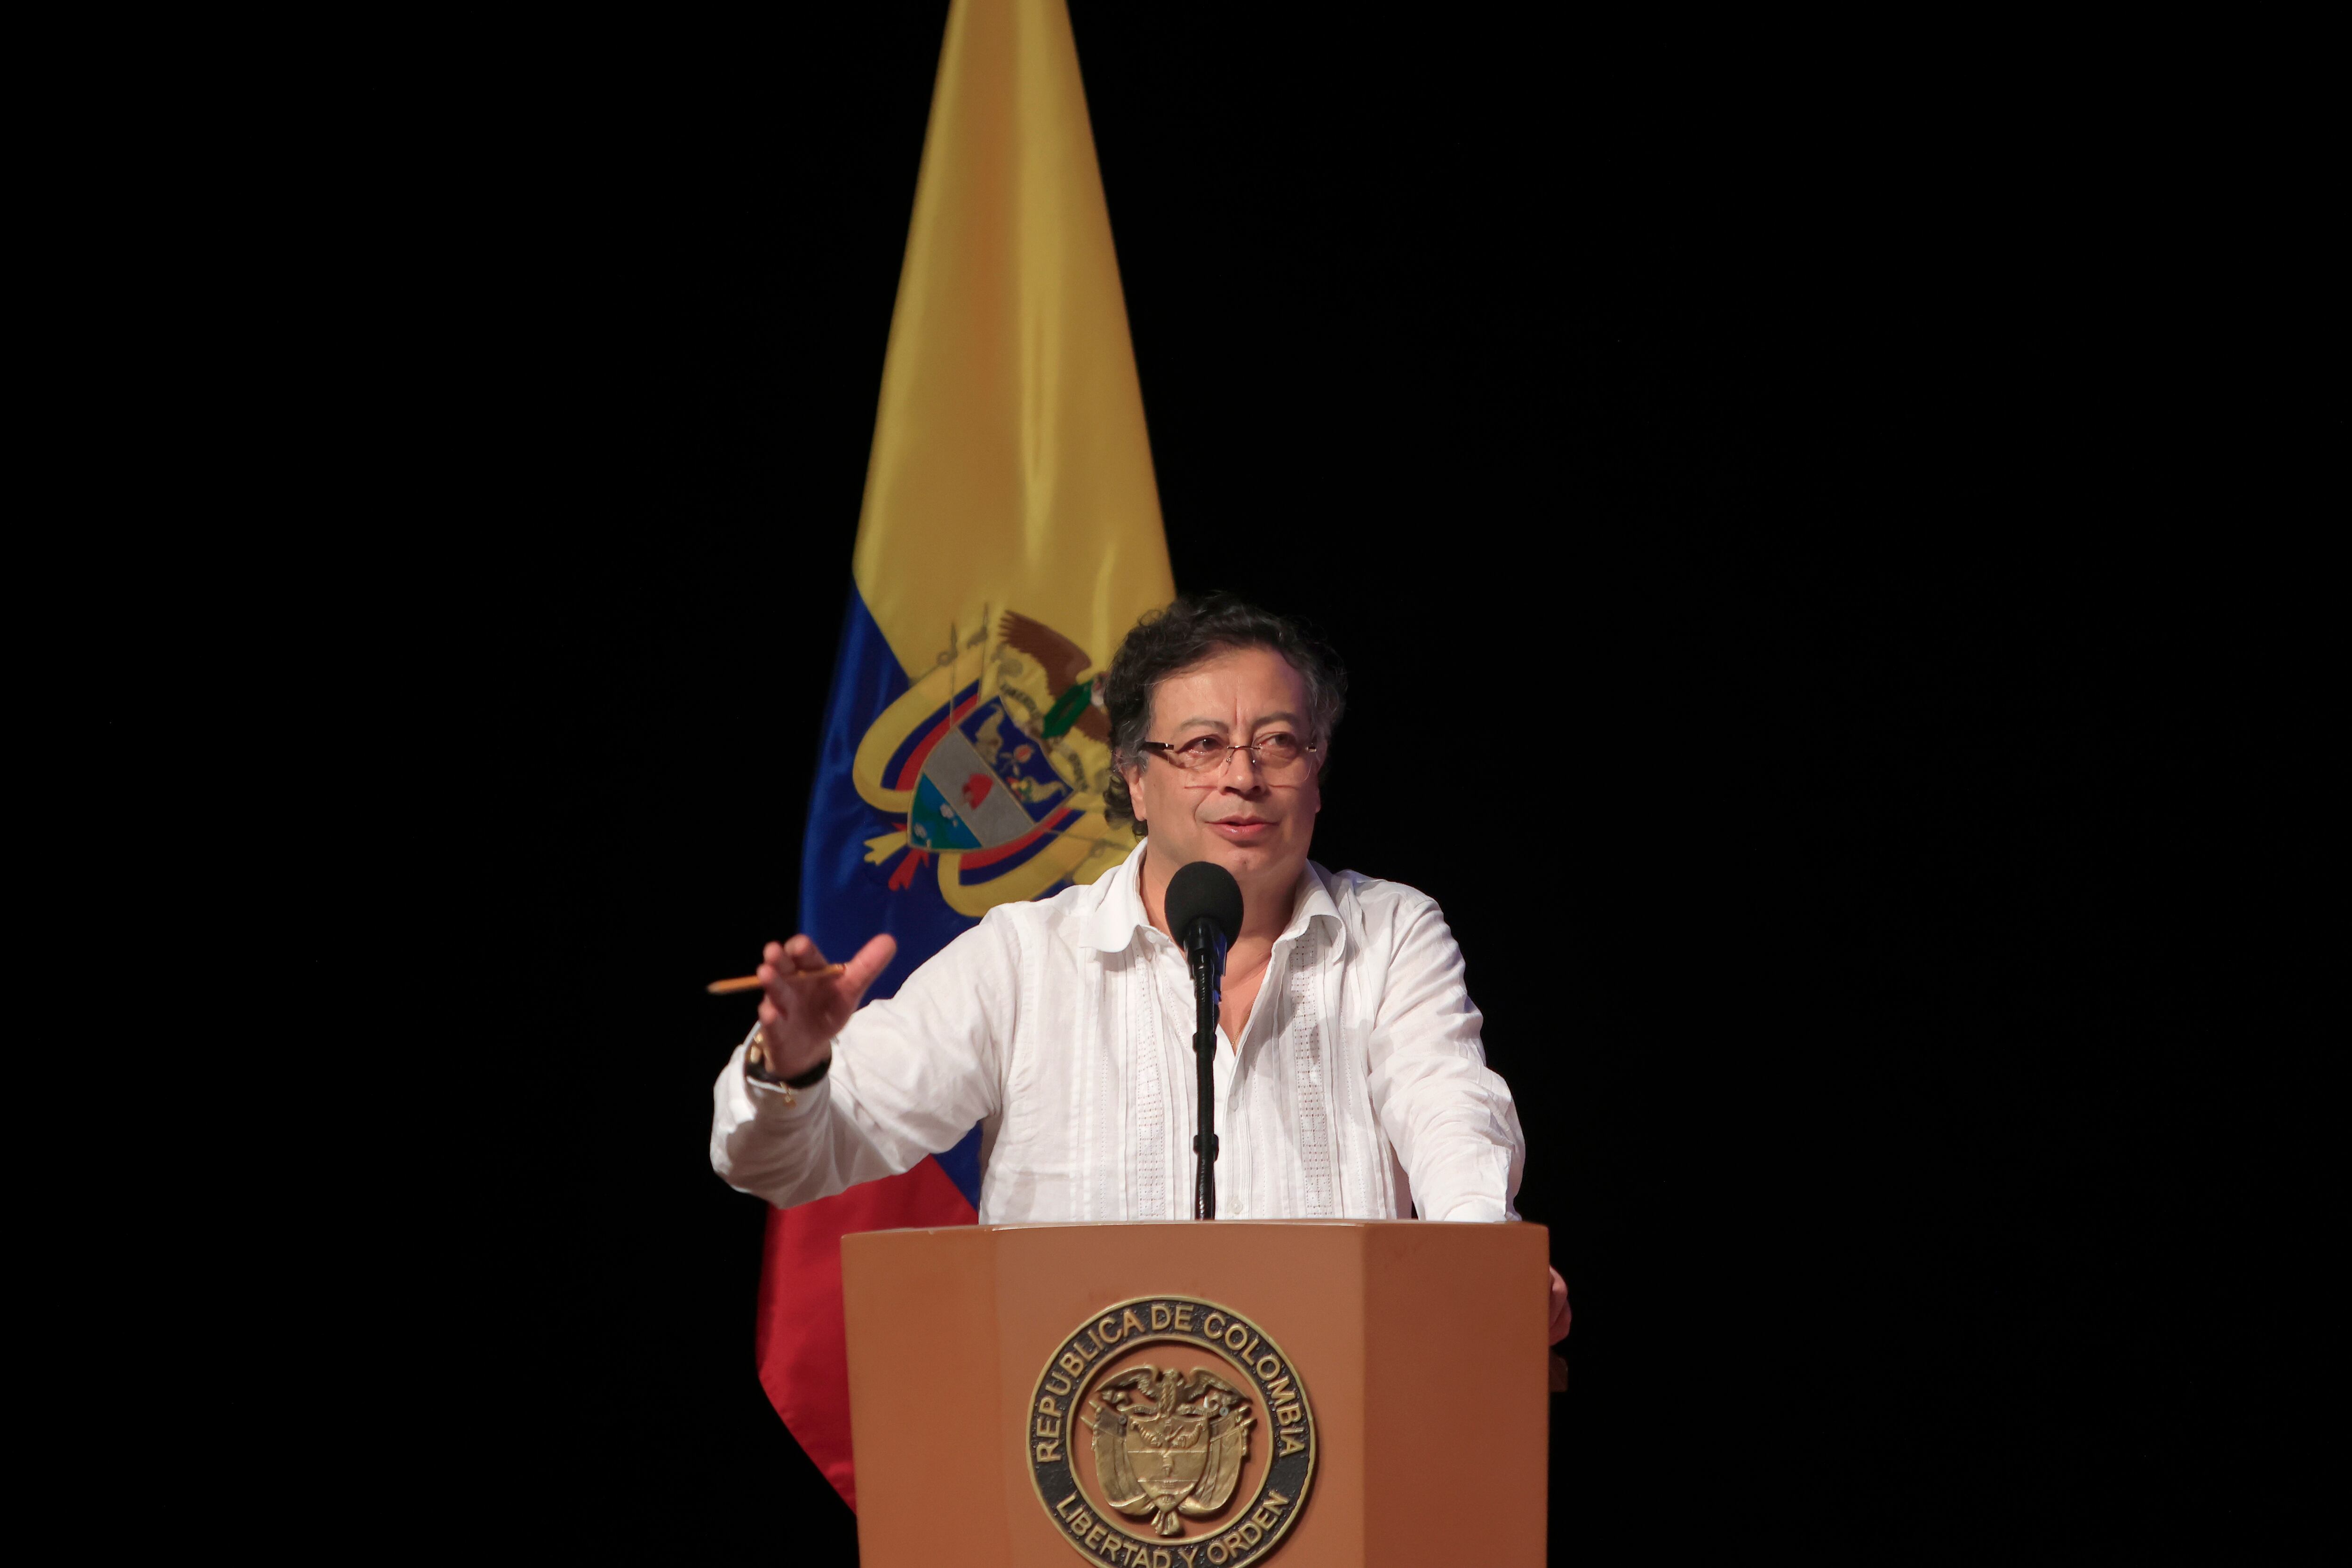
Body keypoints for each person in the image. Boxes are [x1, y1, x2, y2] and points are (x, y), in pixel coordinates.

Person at [711, 594, 1570, 1342]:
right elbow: (785, 1162)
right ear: (1135, 778)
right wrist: (792, 1069)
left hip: (1344, 1434)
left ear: (1317, 773)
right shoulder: (1026, 958)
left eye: (1279, 742)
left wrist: (1483, 1265)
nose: (1243, 777)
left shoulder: (1390, 934)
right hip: (1068, 1461)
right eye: (1201, 746)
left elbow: (1452, 1115)